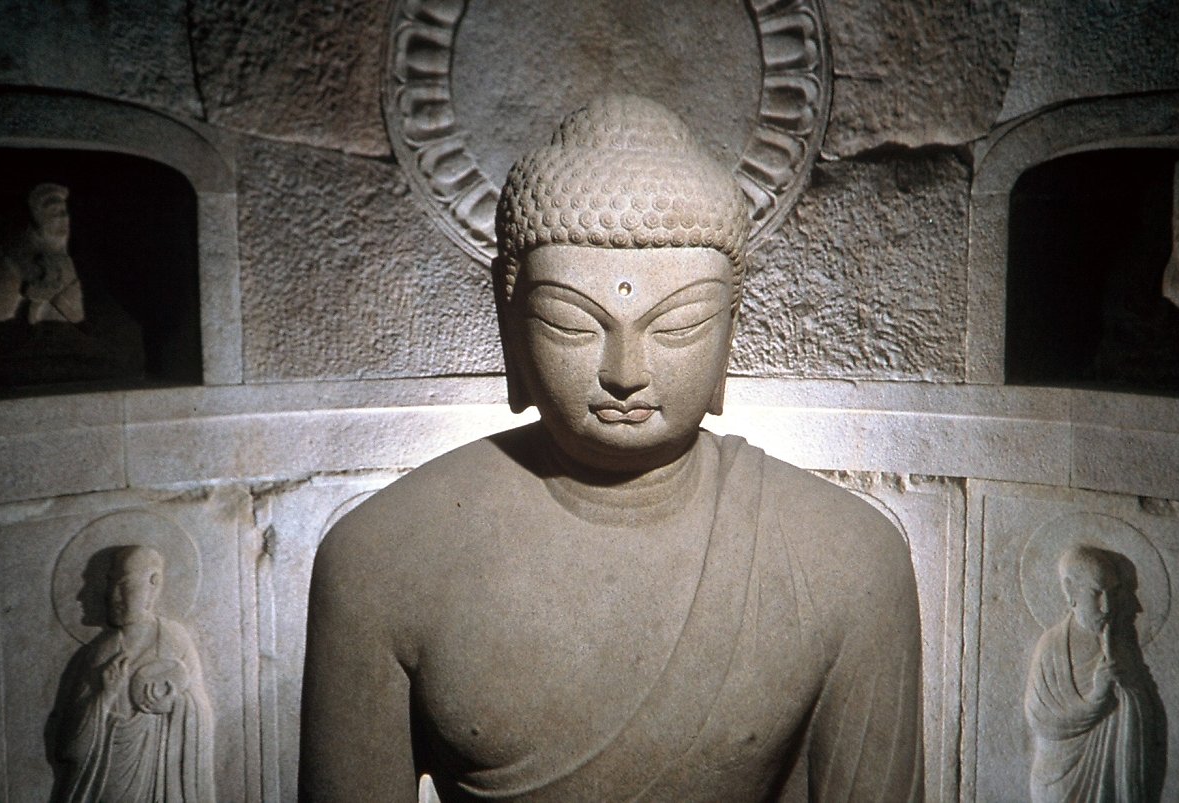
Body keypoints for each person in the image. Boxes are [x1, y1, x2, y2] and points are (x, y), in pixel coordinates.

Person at [301, 95, 923, 801]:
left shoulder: (848, 560)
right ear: (510, 318)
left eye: (678, 326)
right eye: (572, 324)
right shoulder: (381, 556)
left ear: (730, 328)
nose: (625, 371)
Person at [52, 546, 215, 802]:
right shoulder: (100, 653)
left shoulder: (175, 640)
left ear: (154, 582)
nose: (113, 595)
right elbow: (69, 748)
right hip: (107, 784)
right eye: (111, 585)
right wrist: (104, 698)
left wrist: (176, 704)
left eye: (124, 584)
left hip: (161, 781)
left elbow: (203, 714)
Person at [1024, 545, 1163, 802]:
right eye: (1096, 593)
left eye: (1113, 593)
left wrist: (1128, 689)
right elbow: (1040, 719)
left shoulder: (1123, 644)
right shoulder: (1052, 647)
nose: (1107, 606)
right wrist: (1096, 699)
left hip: (1114, 775)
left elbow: (1149, 708)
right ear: (1071, 591)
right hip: (1060, 778)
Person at [0, 183, 85, 324]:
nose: (63, 217)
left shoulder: (64, 260)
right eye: (54, 211)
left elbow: (76, 314)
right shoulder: (16, 256)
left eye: (64, 211)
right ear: (38, 216)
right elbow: (2, 312)